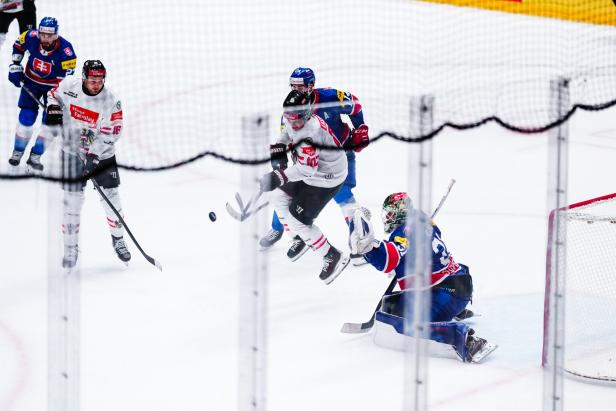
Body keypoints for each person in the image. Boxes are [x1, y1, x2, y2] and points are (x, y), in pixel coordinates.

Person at [349, 193, 497, 363]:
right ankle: (454, 310)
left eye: (390, 214)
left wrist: (369, 248)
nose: (387, 219)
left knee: (411, 326)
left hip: (446, 293)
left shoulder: (403, 233)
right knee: (394, 306)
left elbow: (387, 261)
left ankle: (466, 339)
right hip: (459, 284)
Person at [259, 67, 370, 266]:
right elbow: (285, 139)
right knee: (286, 193)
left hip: (339, 155)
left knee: (343, 194)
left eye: (300, 86)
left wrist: (360, 128)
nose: (296, 90)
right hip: (310, 161)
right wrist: (280, 160)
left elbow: (355, 106)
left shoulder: (329, 97)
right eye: (293, 86)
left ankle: (359, 243)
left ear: (311, 85)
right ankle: (285, 230)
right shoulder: (292, 109)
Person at [41, 60, 130, 268]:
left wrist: (94, 154)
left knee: (112, 199)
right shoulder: (68, 87)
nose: (96, 84)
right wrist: (53, 109)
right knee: (72, 202)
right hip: (71, 152)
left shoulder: (110, 100)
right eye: (92, 80)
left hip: (103, 155)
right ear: (83, 78)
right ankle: (70, 248)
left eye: (99, 80)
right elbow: (52, 95)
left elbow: (113, 131)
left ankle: (118, 239)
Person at [259, 89, 350, 284]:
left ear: (307, 114)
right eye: (289, 118)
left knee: (296, 219)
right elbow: (285, 132)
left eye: (296, 120)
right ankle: (301, 237)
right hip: (314, 171)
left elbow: (306, 170)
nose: (292, 123)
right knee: (277, 196)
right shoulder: (295, 118)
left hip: (326, 177)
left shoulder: (310, 134)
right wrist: (278, 151)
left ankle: (332, 255)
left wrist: (278, 176)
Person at [7, 16, 76, 171]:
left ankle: (35, 156)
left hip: (53, 89)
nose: (45, 38)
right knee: (26, 118)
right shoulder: (30, 37)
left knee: (51, 126)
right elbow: (18, 45)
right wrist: (15, 65)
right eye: (42, 34)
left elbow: (68, 80)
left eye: (49, 35)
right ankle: (17, 151)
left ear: (56, 34)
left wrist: (59, 98)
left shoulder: (67, 52)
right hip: (31, 83)